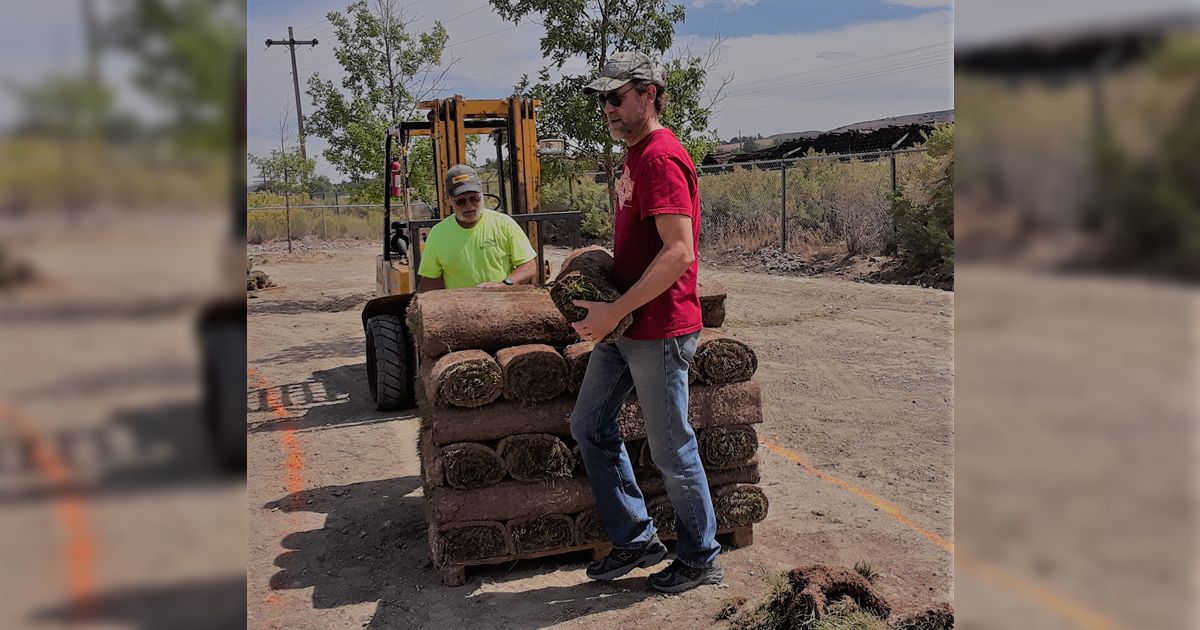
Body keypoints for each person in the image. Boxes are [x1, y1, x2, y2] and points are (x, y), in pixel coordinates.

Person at [570, 51, 722, 593]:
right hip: (628, 325)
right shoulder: (635, 155)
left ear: (649, 93)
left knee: (670, 447)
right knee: (589, 424)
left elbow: (679, 252)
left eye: (615, 97)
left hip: (658, 329)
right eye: (602, 99)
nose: (606, 108)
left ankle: (702, 556)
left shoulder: (659, 157)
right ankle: (636, 539)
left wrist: (614, 309)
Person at [415, 164, 539, 292]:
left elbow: (528, 267)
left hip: (502, 303)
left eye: (475, 198)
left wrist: (505, 284)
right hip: (459, 308)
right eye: (461, 201)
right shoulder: (438, 234)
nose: (469, 206)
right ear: (449, 199)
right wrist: (416, 305)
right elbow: (431, 281)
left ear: (482, 192)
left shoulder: (504, 224)